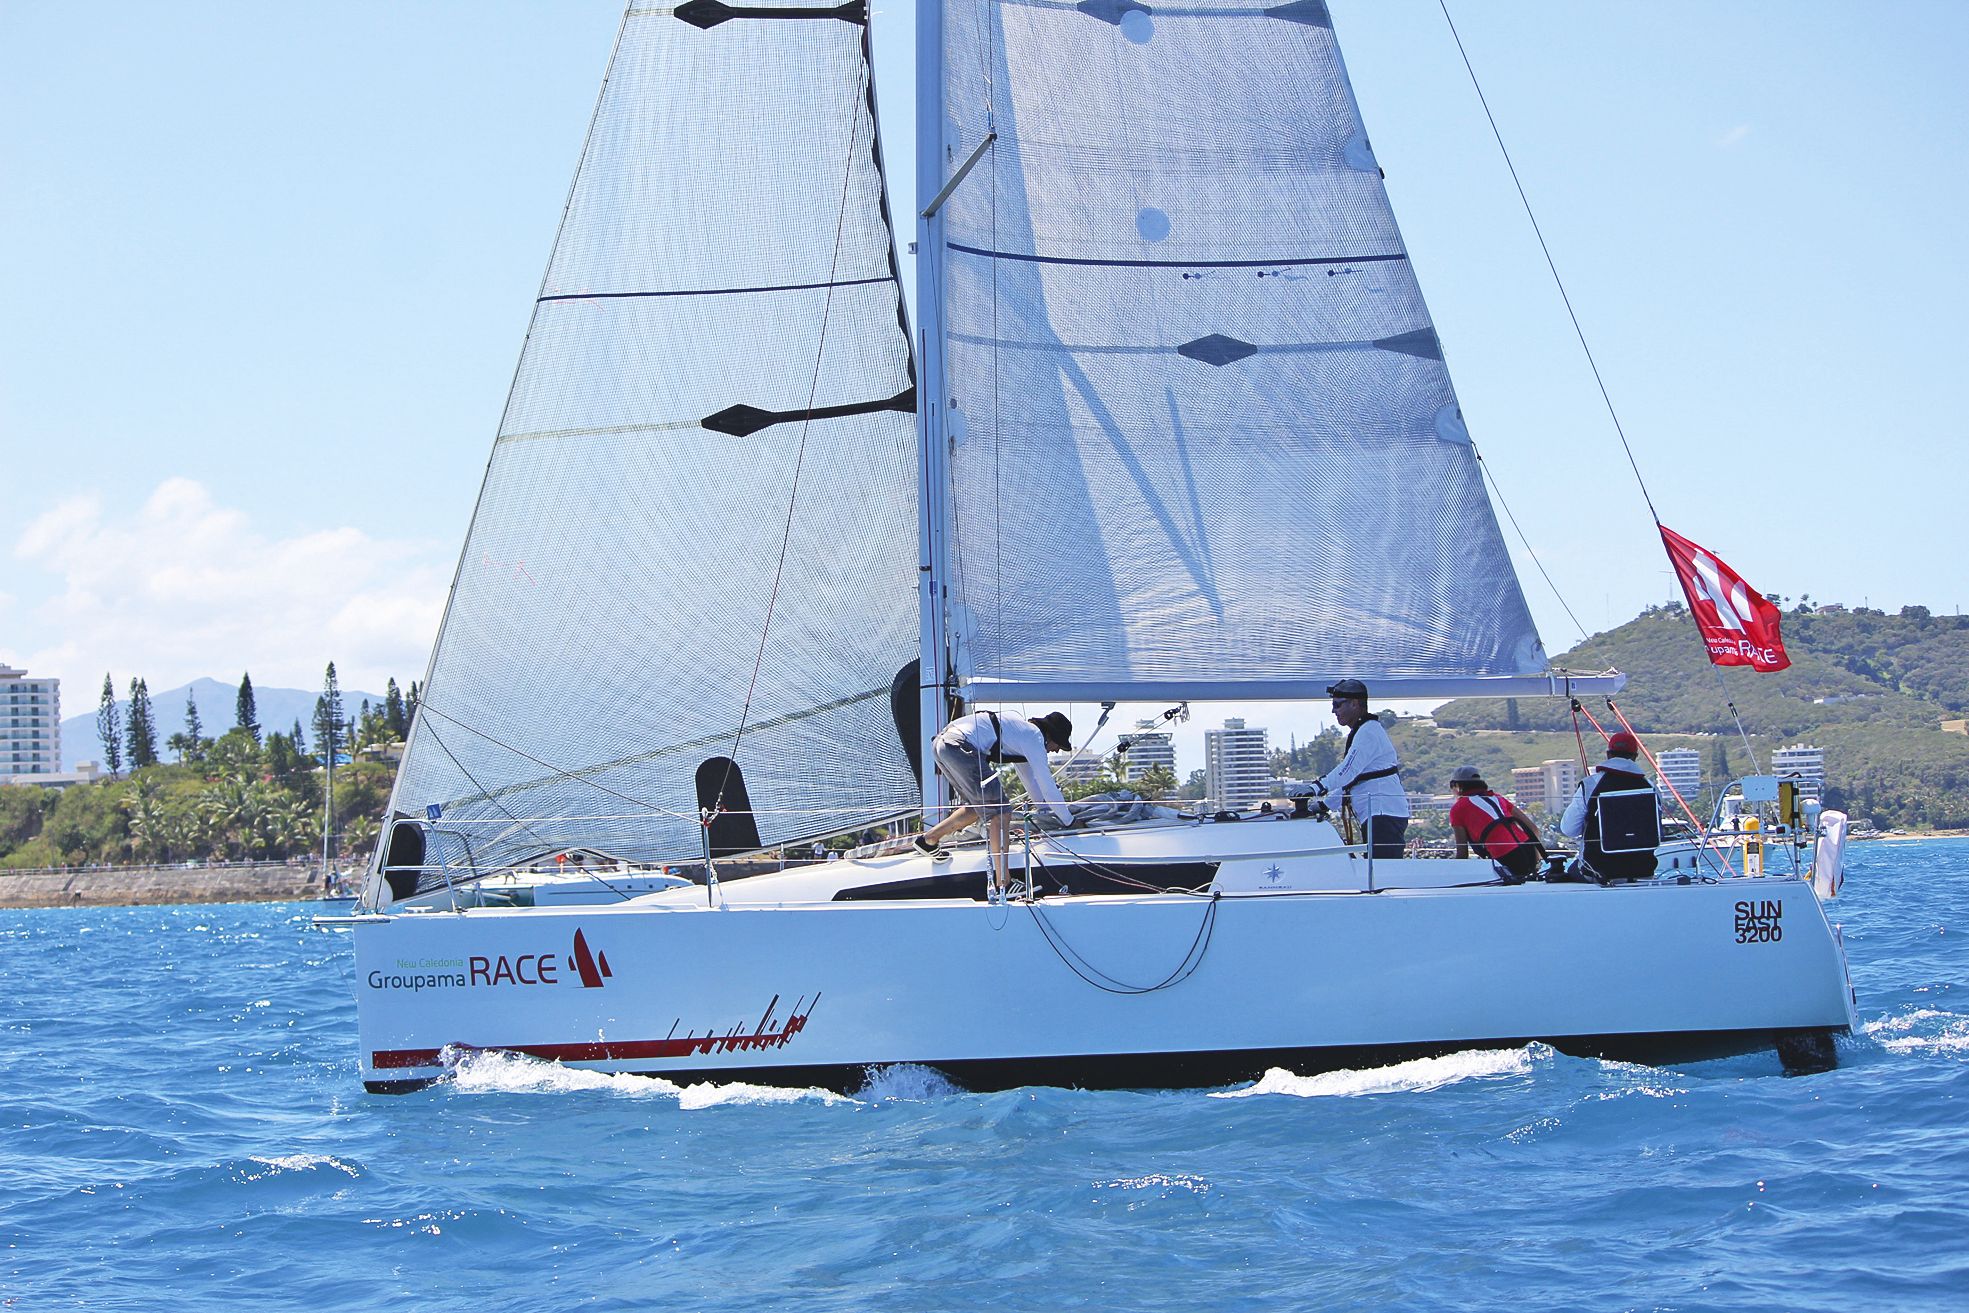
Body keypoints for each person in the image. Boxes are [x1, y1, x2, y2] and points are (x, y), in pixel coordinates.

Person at [914, 709, 1075, 900]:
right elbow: (1046, 783)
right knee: (1000, 812)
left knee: (977, 807)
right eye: (1058, 744)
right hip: (959, 746)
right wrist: (1069, 822)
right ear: (1050, 735)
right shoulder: (1033, 737)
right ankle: (1004, 882)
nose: (1056, 750)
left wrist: (1044, 811)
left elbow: (1030, 782)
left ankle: (928, 840)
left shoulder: (1020, 734)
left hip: (943, 744)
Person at [1307, 679, 1410, 858]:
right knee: (1377, 872)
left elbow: (1347, 771)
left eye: (1337, 705)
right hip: (1379, 814)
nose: (1333, 710)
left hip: (1382, 813)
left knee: (1381, 873)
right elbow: (1354, 780)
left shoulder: (1368, 732)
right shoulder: (1365, 730)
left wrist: (1316, 787)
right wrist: (1324, 805)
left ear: (1354, 704)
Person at [1559, 731, 1660, 881]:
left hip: (1599, 872)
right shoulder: (1651, 788)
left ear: (1608, 755)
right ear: (1635, 757)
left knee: (1571, 869)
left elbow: (1569, 830)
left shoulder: (1590, 785)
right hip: (1643, 871)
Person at [1447, 766, 1545, 882]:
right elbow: (1534, 829)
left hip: (1505, 858)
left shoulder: (1458, 809)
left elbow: (1462, 853)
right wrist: (1537, 862)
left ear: (1457, 787)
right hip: (1529, 850)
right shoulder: (1498, 798)